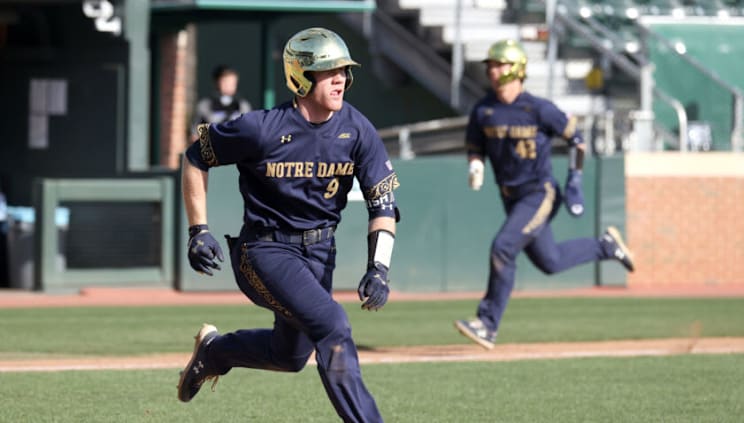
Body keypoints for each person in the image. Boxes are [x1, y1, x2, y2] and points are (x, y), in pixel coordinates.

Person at [177, 27, 399, 423]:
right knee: (333, 326)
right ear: (300, 76)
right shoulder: (259, 127)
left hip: (319, 253)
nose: (340, 79)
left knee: (290, 356)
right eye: (328, 70)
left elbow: (383, 204)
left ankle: (214, 352)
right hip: (264, 250)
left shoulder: (358, 129)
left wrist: (379, 268)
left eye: (344, 71)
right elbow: (195, 158)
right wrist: (199, 230)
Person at [454, 39, 635, 350]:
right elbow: (475, 147)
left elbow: (577, 140)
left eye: (500, 65)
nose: (493, 71)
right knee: (549, 261)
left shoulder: (538, 109)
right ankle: (605, 247)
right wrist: (475, 166)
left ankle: (487, 323)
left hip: (539, 192)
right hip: (510, 196)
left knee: (503, 247)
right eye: (491, 65)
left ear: (518, 69)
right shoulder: (483, 109)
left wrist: (575, 179)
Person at [190, 65, 252, 138]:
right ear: (217, 82)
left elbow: (249, 130)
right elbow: (194, 133)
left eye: (232, 83)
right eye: (225, 82)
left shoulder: (243, 106)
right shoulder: (205, 105)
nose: (229, 85)